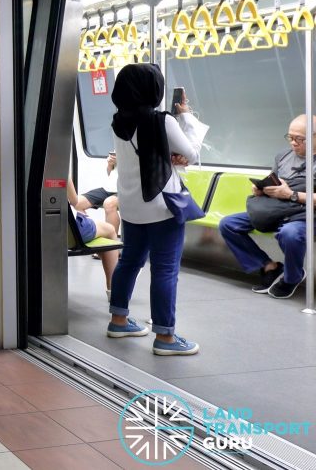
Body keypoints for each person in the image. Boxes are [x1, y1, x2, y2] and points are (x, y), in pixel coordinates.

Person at [106, 64, 201, 356]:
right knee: (165, 270)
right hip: (163, 207)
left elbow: (145, 155)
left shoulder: (118, 122)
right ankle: (165, 338)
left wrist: (170, 156)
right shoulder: (162, 121)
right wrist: (185, 116)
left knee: (129, 262)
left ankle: (119, 320)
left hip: (133, 206)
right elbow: (192, 153)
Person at [218, 115, 313, 299]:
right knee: (229, 224)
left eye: (299, 139)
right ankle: (270, 266)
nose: (293, 143)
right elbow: (274, 180)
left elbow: (290, 193)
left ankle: (293, 277)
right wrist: (261, 189)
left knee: (290, 233)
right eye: (290, 137)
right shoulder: (283, 156)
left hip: (304, 213)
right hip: (276, 209)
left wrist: (292, 195)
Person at [68, 177, 120, 298]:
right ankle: (113, 291)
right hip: (74, 233)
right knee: (110, 230)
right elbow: (74, 201)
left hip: (42, 231)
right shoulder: (60, 169)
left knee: (109, 204)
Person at [76, 151, 120, 233]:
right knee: (76, 202)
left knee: (109, 203)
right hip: (108, 188)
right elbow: (109, 172)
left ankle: (112, 241)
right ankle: (90, 231)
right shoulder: (118, 147)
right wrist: (110, 164)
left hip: (126, 189)